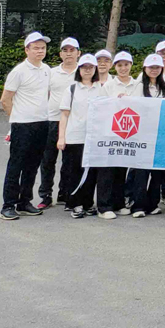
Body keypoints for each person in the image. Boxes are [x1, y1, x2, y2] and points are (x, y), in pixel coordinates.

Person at [0, 32, 52, 221]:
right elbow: (5, 99)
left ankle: (24, 201)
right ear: (27, 49)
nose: (40, 51)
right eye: (36, 48)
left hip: (42, 123)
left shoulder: (46, 69)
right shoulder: (19, 71)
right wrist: (16, 119)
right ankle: (8, 205)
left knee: (32, 165)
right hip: (22, 125)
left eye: (42, 48)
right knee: (16, 165)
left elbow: (46, 94)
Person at [57, 53, 103, 218]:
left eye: (91, 67)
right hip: (74, 137)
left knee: (91, 172)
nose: (88, 70)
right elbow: (64, 115)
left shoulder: (100, 88)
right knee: (74, 171)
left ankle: (88, 203)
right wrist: (61, 138)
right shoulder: (72, 88)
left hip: (93, 137)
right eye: (84, 67)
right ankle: (75, 203)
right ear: (79, 69)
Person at [96, 51, 140, 220]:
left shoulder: (137, 85)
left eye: (126, 65)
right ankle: (103, 206)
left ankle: (118, 202)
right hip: (110, 132)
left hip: (128, 132)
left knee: (121, 169)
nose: (123, 68)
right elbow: (100, 106)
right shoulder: (108, 85)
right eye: (120, 65)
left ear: (131, 65)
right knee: (107, 169)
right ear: (115, 67)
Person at [38, 36, 80, 209]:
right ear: (60, 53)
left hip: (75, 123)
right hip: (52, 121)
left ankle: (65, 193)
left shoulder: (84, 71)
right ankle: (46, 195)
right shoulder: (51, 72)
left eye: (72, 50)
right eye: (65, 50)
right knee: (48, 160)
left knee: (69, 162)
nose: (69, 54)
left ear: (79, 53)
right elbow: (43, 95)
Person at [127, 54, 165, 218]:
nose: (154, 70)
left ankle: (153, 204)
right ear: (145, 69)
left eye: (157, 67)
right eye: (151, 67)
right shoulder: (138, 87)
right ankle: (138, 205)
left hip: (160, 135)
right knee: (141, 171)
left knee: (157, 173)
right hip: (141, 135)